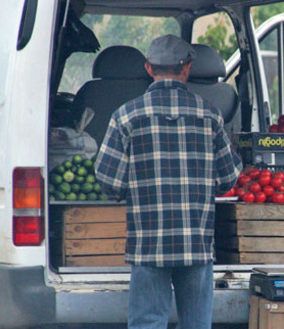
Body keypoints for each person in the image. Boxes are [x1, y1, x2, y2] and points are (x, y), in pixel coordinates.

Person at [95, 34, 242, 329]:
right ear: (187, 68)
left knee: (148, 323)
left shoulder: (126, 116)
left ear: (149, 68)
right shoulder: (210, 116)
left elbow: (109, 180)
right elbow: (228, 178)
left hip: (149, 244)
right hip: (196, 244)